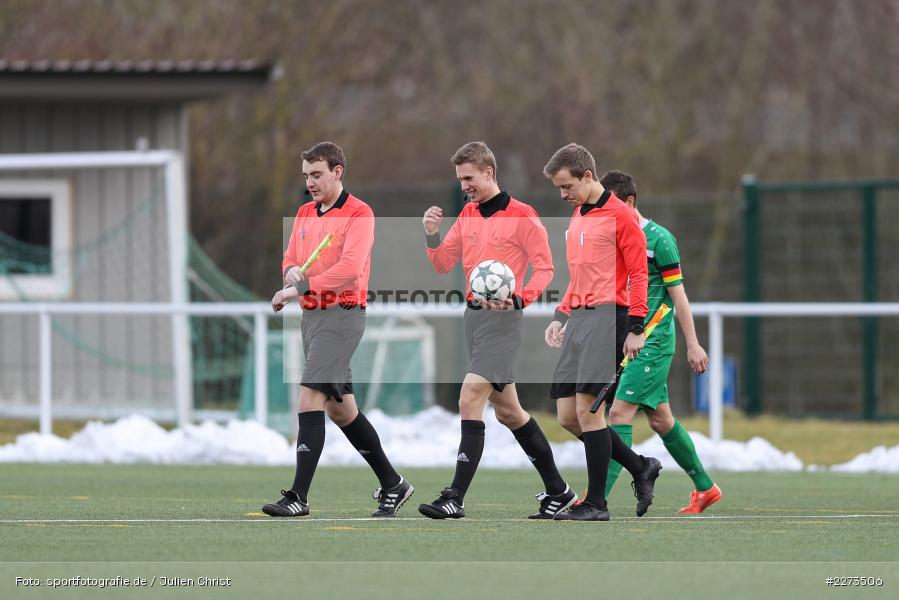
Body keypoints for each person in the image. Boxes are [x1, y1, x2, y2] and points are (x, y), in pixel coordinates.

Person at [417, 141, 578, 520]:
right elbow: (442, 265)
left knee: (469, 398)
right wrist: (430, 234)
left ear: (489, 172)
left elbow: (545, 269)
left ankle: (454, 496)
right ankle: (559, 490)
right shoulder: (468, 215)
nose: (463, 186)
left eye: (468, 178)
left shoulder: (522, 215)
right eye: (459, 180)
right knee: (511, 414)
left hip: (504, 323)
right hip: (474, 320)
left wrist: (519, 299)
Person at [262, 141, 413, 518]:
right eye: (306, 176)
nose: (310, 182)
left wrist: (297, 287)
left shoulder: (360, 214)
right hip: (312, 319)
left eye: (317, 174)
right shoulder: (303, 213)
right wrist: (291, 273)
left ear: (337, 171)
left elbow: (349, 269)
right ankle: (393, 483)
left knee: (309, 395)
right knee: (342, 411)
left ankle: (298, 496)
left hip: (342, 318)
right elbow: (291, 259)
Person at [542, 143, 662, 521]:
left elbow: (640, 273)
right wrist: (561, 316)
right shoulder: (578, 216)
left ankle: (596, 504)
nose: (563, 195)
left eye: (567, 187)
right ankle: (640, 466)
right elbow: (579, 276)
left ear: (588, 177)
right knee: (567, 416)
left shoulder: (621, 217)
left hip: (610, 317)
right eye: (559, 189)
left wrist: (637, 327)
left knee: (589, 412)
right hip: (578, 318)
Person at [597, 170, 722, 514]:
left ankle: (596, 499)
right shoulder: (613, 239)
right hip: (628, 340)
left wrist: (693, 344)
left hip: (652, 341)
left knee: (619, 412)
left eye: (611, 205)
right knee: (661, 420)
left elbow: (678, 296)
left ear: (629, 202)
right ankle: (706, 488)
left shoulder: (660, 239)